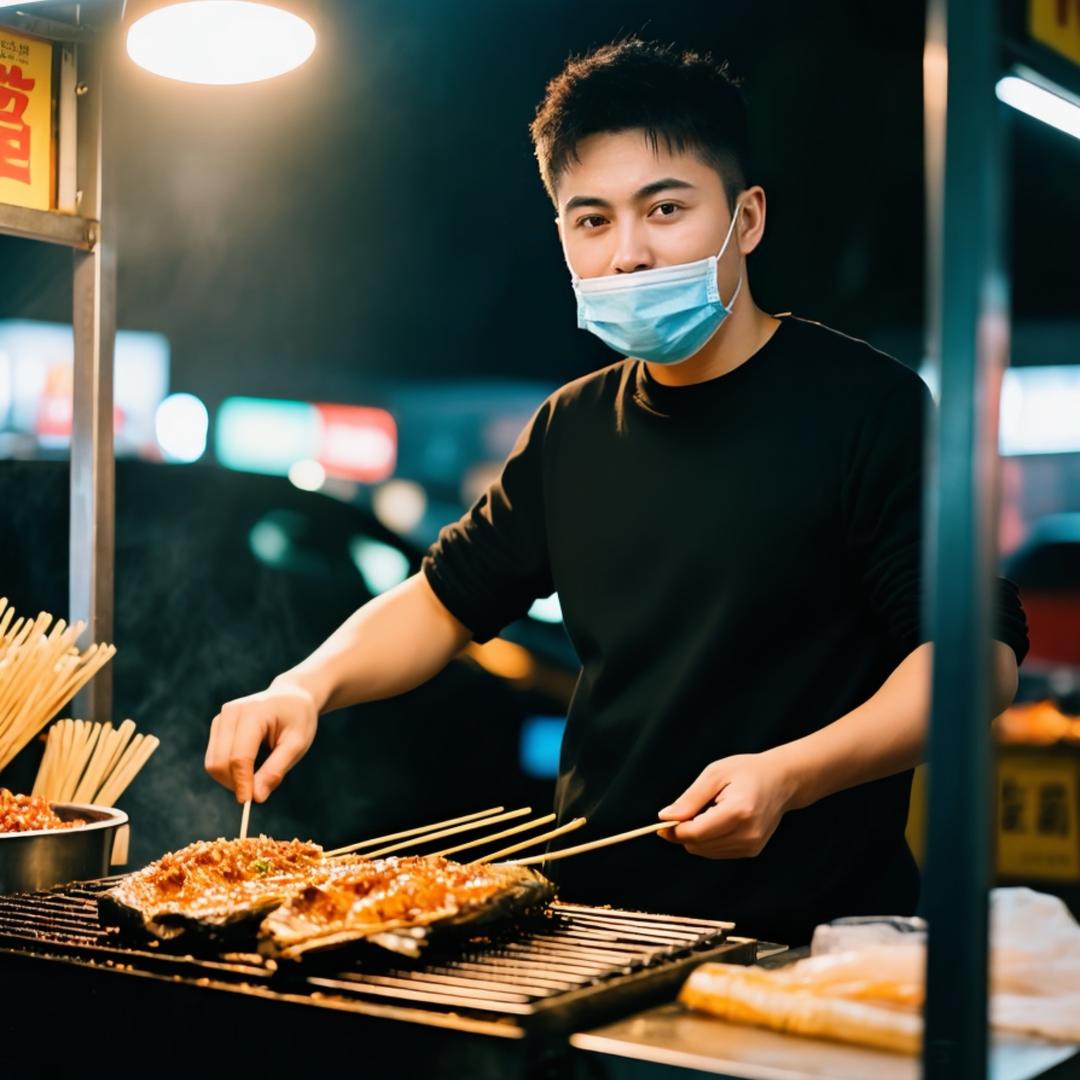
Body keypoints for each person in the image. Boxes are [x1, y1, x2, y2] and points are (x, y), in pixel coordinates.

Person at [205, 39, 1028, 945]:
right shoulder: (573, 428)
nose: (628, 255)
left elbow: (975, 661)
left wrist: (792, 774)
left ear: (746, 218)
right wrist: (303, 686)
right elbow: (444, 601)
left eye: (665, 209)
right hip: (592, 931)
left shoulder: (869, 408)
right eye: (590, 221)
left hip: (815, 937)